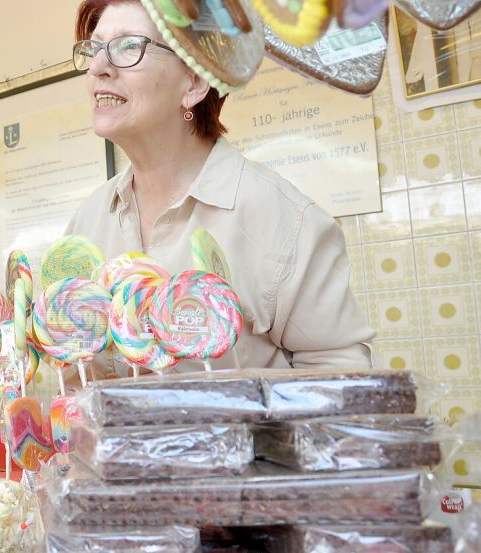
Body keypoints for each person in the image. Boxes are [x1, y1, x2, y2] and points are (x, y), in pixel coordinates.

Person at [66, 0, 375, 376]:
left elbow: (341, 376)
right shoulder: (88, 221)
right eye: (94, 48)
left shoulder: (282, 217)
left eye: (129, 46)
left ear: (194, 81)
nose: (98, 67)